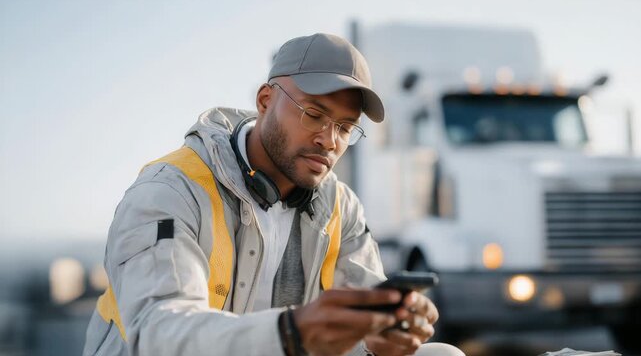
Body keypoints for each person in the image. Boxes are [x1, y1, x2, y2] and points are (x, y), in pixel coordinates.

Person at [83, 33, 463, 356]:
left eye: (346, 127)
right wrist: (291, 333)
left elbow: (361, 323)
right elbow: (159, 336)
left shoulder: (339, 206)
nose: (329, 141)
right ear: (265, 100)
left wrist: (384, 335)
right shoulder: (170, 190)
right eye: (313, 113)